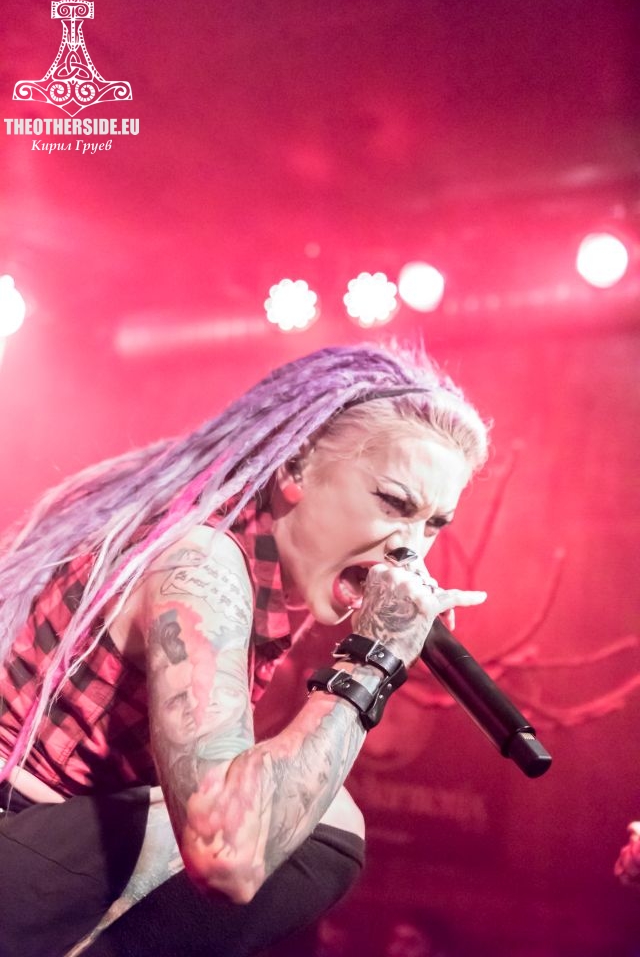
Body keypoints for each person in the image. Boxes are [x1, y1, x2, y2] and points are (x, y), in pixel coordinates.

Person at [0, 342, 489, 957]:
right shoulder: (202, 564)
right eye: (393, 503)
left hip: (38, 853)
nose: (411, 549)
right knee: (323, 824)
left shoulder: (259, 575)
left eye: (434, 524)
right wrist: (374, 656)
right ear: (297, 469)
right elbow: (227, 853)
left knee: (288, 804)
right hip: (17, 840)